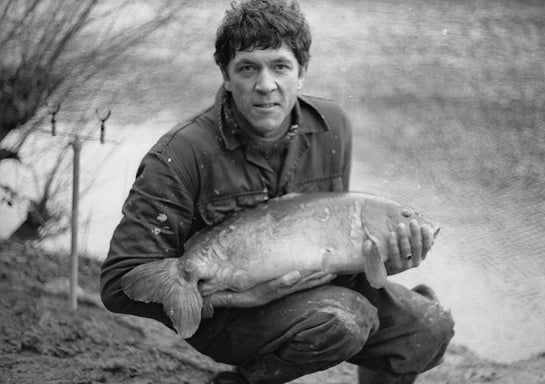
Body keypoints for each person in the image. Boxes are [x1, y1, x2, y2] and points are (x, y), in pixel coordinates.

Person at [100, 1, 454, 383]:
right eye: (248, 67)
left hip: (319, 288)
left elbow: (339, 239)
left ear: (302, 72)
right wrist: (239, 297)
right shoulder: (179, 155)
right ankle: (246, 380)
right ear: (225, 74)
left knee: (430, 328)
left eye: (280, 66)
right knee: (346, 319)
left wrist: (386, 260)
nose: (265, 85)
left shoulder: (332, 125)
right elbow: (120, 283)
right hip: (230, 311)